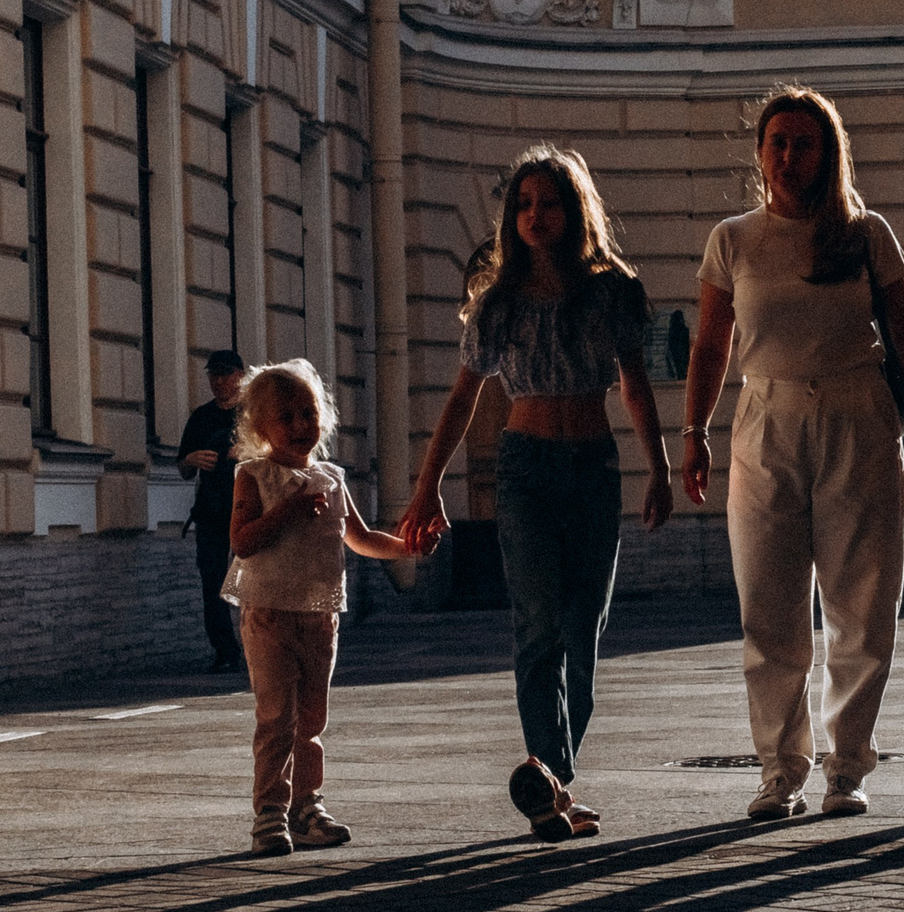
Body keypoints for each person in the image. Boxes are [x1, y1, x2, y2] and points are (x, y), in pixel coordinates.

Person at [399, 147, 672, 843]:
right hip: (523, 470)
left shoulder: (613, 291)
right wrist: (427, 488)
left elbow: (636, 385)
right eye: (523, 205)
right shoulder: (497, 304)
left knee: (583, 631)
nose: (534, 216)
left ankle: (549, 780)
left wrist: (660, 469)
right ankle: (548, 783)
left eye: (548, 203)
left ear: (573, 211)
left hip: (592, 469)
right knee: (539, 626)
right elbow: (463, 401)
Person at [682, 87, 904, 822]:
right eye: (777, 143)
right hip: (766, 419)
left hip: (859, 416)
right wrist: (694, 433)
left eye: (804, 144)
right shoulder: (733, 239)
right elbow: (709, 345)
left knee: (862, 603)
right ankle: (779, 769)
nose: (789, 157)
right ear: (760, 154)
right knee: (769, 605)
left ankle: (848, 767)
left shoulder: (865, 233)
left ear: (829, 153)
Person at [221, 359, 409, 855]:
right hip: (268, 615)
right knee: (276, 717)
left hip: (320, 616)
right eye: (288, 417)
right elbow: (242, 542)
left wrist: (407, 547)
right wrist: (287, 511)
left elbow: (361, 538)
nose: (302, 425)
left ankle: (308, 806)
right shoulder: (253, 476)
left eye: (309, 413)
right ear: (262, 428)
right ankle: (269, 813)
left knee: (312, 719)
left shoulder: (330, 478)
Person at [177, 349, 249, 671]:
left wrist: (246, 452)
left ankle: (259, 647)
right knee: (212, 582)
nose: (219, 381)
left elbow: (276, 456)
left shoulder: (253, 414)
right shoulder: (201, 417)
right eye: (213, 375)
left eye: (225, 374)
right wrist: (190, 460)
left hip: (250, 510)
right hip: (210, 511)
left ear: (240, 375)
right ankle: (225, 651)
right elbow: (183, 468)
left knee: (256, 582)